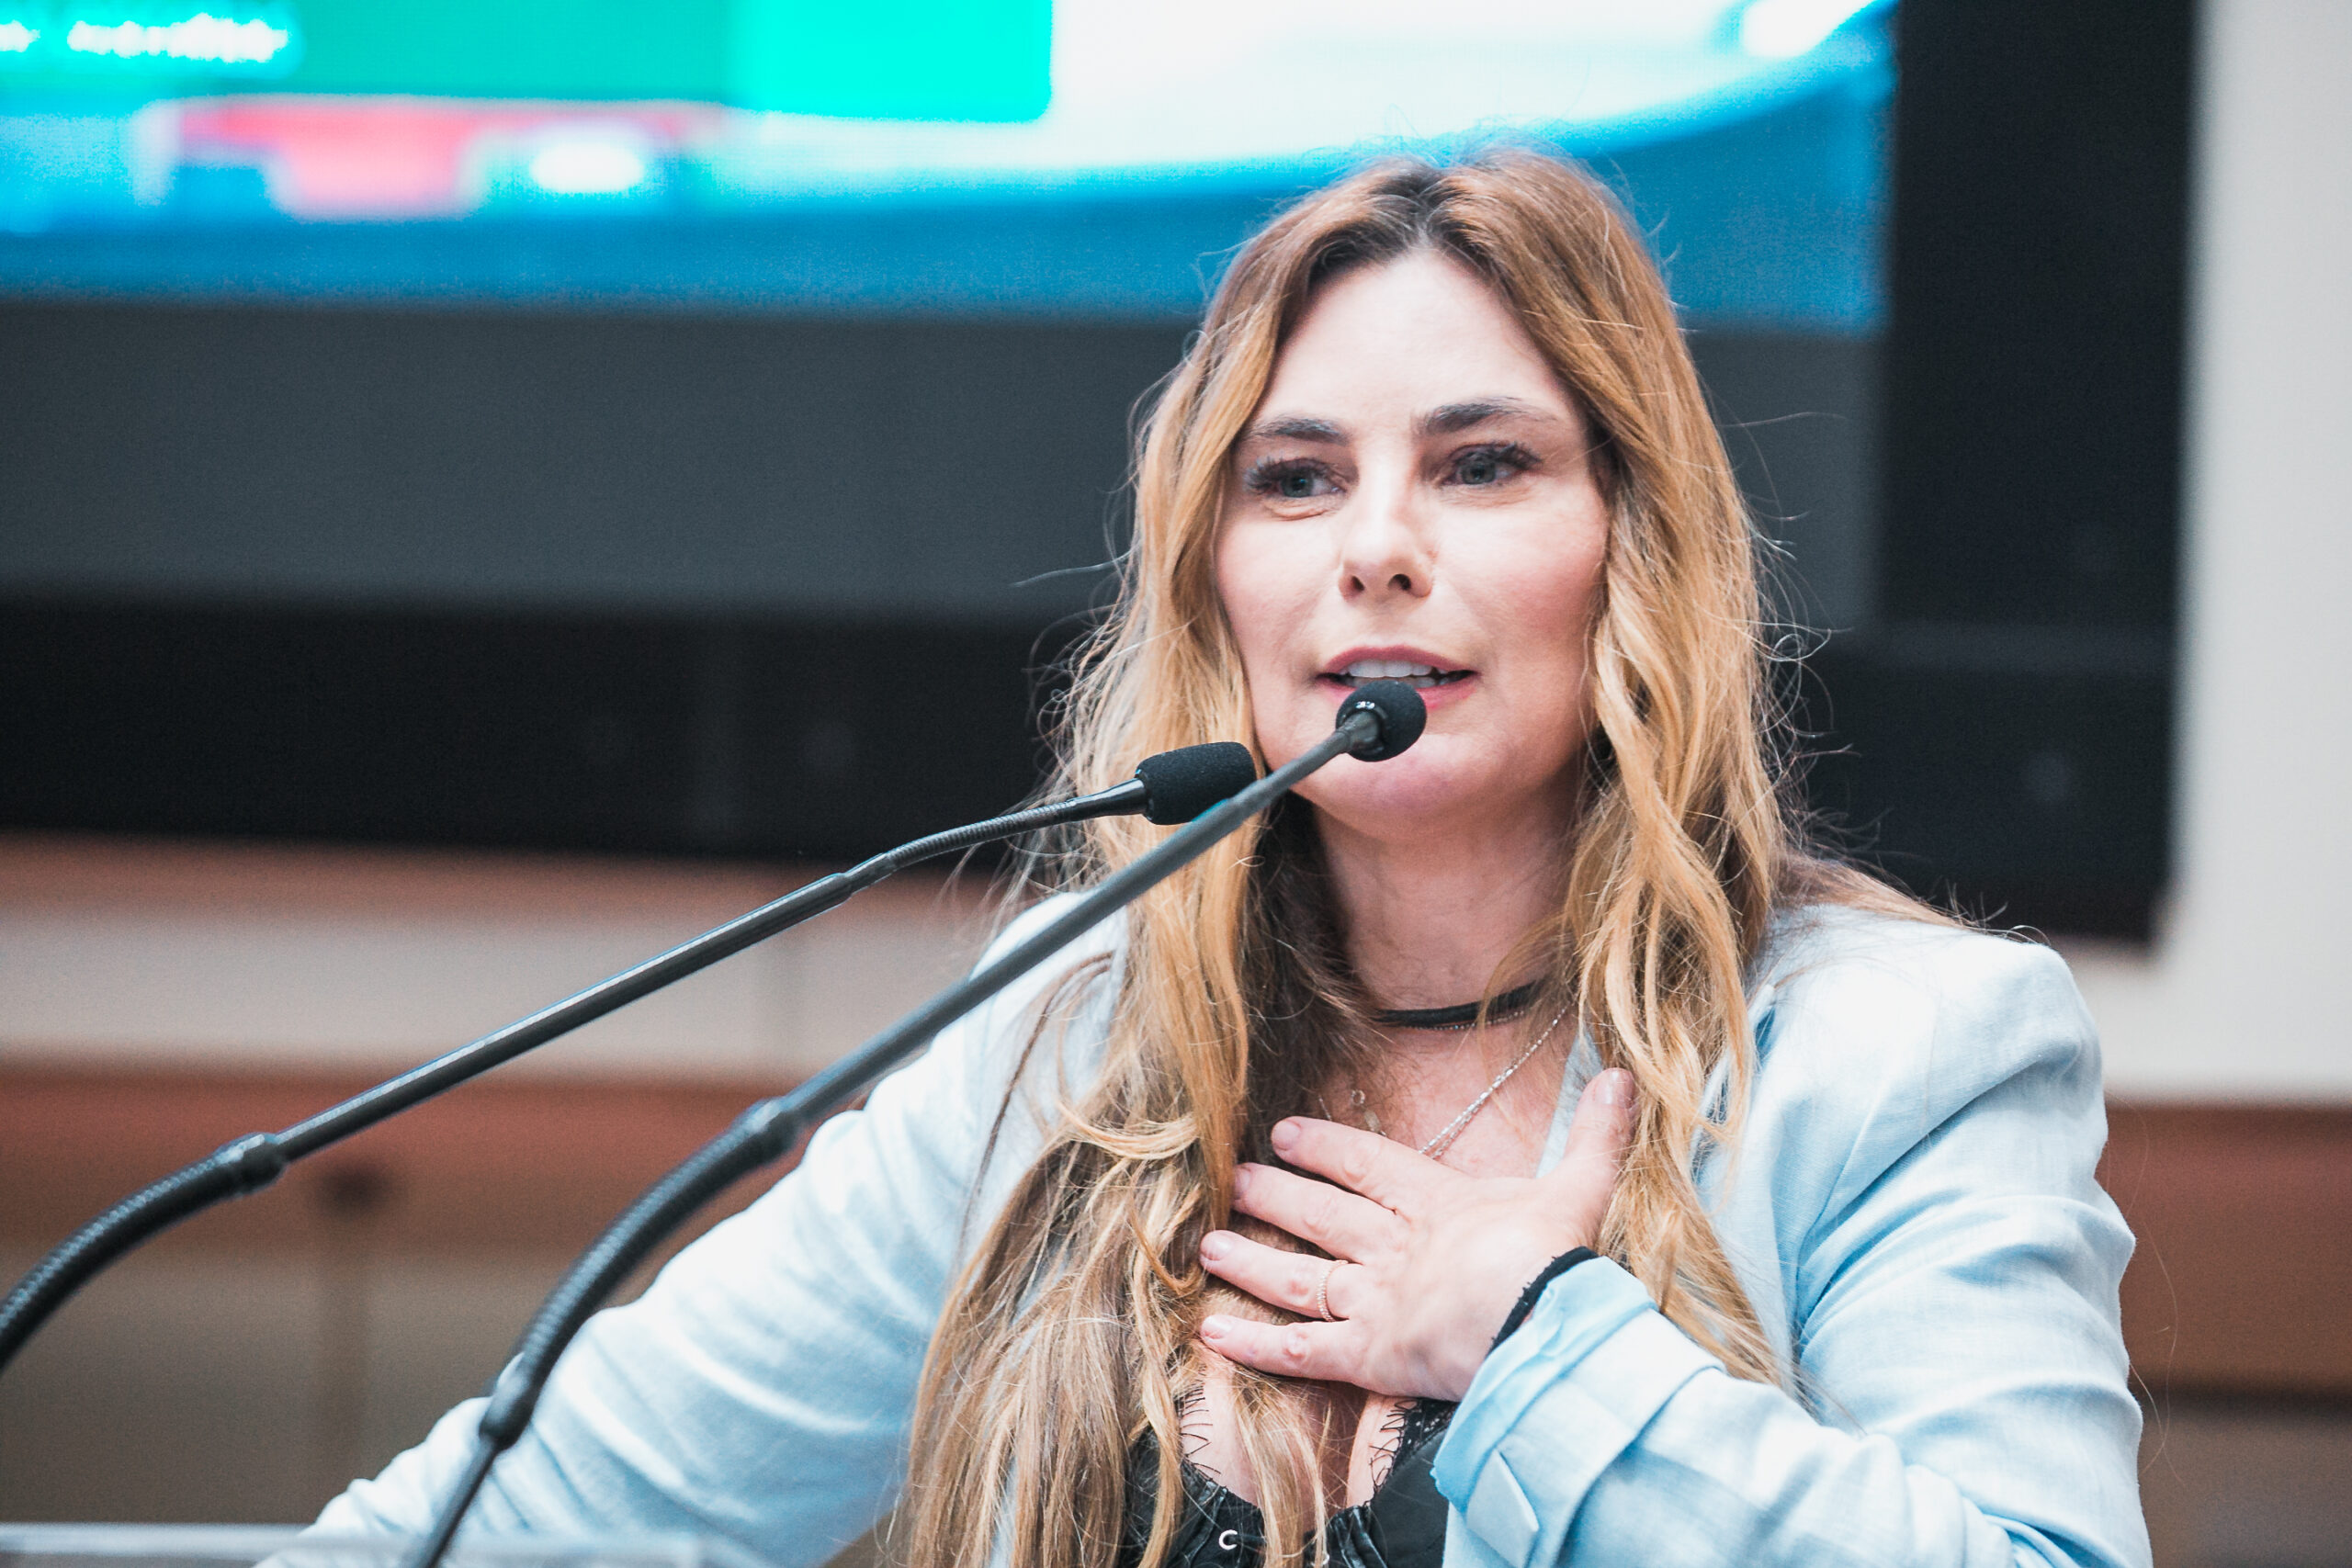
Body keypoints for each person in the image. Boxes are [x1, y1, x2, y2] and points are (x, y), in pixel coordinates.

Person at [316, 150, 2149, 1568]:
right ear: (1216, 575)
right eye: (1291, 479)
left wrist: (1534, 1341)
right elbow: (565, 1503)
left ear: (1633, 550)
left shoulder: (1910, 1046)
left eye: (1480, 464)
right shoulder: (1074, 1025)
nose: (1369, 547)